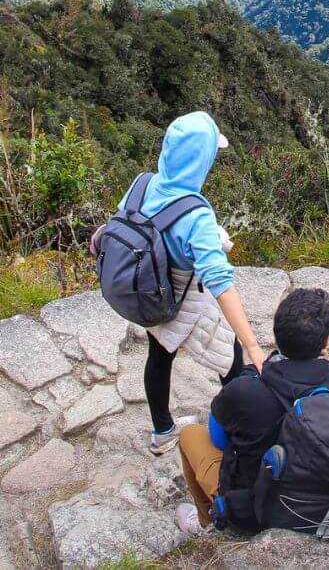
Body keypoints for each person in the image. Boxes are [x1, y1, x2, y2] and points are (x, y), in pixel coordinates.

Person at [174, 287, 329, 535]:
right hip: (318, 510)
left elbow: (217, 437)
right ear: (325, 343)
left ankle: (206, 523)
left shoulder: (244, 391)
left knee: (189, 434)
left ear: (276, 335)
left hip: (251, 514)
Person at [98, 111, 267, 455]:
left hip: (146, 292)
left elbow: (127, 222)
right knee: (231, 361)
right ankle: (242, 443)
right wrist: (253, 345)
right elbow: (219, 282)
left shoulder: (142, 183)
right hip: (181, 299)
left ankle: (163, 431)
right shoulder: (197, 216)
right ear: (202, 160)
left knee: (159, 355)